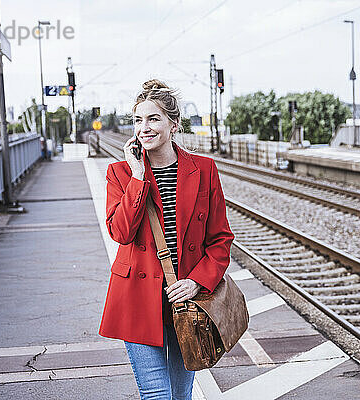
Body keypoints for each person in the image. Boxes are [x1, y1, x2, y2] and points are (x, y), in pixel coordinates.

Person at [99, 79, 234, 400]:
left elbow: (220, 238)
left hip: (186, 301)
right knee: (157, 394)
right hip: (137, 299)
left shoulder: (203, 169)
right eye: (138, 120)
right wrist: (136, 175)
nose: (144, 128)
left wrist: (197, 282)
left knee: (180, 395)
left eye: (153, 119)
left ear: (173, 125)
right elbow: (121, 232)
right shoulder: (120, 173)